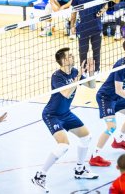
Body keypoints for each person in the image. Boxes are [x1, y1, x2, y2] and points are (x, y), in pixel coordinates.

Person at [31, 48, 98, 193]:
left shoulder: (74, 71)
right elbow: (67, 93)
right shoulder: (57, 76)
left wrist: (91, 73)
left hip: (65, 113)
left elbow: (92, 86)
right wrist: (79, 75)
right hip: (52, 114)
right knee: (63, 145)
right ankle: (40, 176)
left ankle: (79, 170)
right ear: (63, 60)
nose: (73, 57)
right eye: (70, 56)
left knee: (86, 136)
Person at [89, 38, 125, 167]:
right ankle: (95, 156)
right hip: (106, 97)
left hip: (116, 96)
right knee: (111, 127)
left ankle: (118, 141)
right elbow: (118, 89)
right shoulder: (120, 64)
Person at [71, 0, 107, 74]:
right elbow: (74, 11)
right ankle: (84, 71)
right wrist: (72, 26)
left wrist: (101, 11)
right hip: (83, 28)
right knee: (83, 52)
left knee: (96, 51)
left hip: (96, 27)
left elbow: (106, 5)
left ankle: (97, 71)